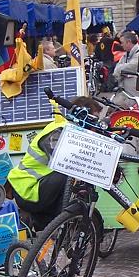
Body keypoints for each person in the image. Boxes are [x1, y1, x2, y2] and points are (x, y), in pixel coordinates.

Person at [8, 96, 102, 229]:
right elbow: (61, 157)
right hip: (27, 189)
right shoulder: (59, 130)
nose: (96, 126)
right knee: (70, 172)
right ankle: (61, 224)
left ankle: (48, 226)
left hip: (40, 187)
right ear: (82, 116)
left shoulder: (73, 130)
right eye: (94, 120)